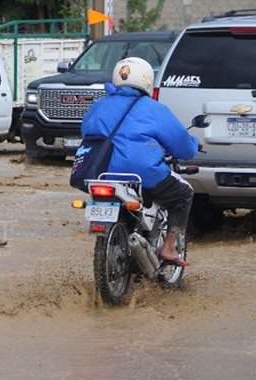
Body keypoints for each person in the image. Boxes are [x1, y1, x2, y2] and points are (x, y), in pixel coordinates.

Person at [81, 57, 199, 267]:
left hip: (100, 173)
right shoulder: (154, 109)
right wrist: (194, 144)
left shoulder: (99, 105)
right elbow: (184, 148)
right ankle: (169, 247)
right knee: (184, 193)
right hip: (142, 173)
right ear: (146, 80)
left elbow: (86, 133)